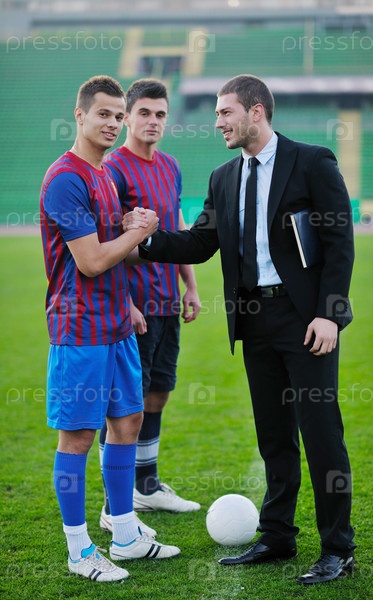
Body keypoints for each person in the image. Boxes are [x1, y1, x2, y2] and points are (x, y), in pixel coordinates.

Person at [126, 74, 356, 585]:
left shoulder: (312, 162)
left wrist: (330, 313)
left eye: (225, 112)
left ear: (256, 112)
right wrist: (145, 240)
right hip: (254, 321)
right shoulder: (224, 177)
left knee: (321, 435)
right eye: (216, 113)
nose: (217, 123)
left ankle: (338, 548)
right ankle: (277, 535)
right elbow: (199, 243)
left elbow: (339, 243)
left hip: (306, 321)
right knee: (273, 436)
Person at [39, 75, 180, 583]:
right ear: (79, 115)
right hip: (79, 329)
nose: (113, 123)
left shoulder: (103, 175)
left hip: (116, 322)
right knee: (78, 437)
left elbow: (116, 252)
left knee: (128, 421)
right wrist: (138, 232)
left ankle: (124, 533)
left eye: (119, 116)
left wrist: (134, 239)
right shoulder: (66, 178)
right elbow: (93, 261)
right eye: (104, 114)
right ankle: (80, 550)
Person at [98, 79, 201, 535]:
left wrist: (190, 286)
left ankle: (147, 485)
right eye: (144, 113)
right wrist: (124, 303)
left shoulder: (170, 166)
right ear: (127, 117)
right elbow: (107, 241)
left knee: (158, 393)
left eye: (160, 114)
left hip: (165, 302)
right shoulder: (113, 168)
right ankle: (113, 504)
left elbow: (175, 228)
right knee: (126, 407)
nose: (153, 121)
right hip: (132, 308)